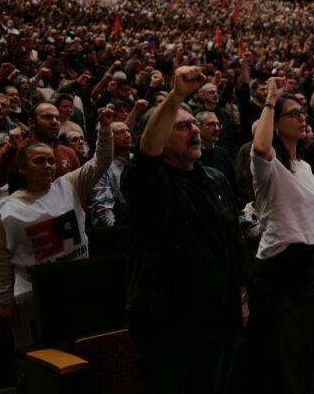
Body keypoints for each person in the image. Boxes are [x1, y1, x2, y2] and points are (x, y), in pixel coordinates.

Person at [122, 66, 247, 392]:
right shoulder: (148, 181)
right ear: (159, 135)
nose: (194, 130)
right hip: (165, 326)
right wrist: (177, 94)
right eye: (181, 126)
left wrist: (241, 297)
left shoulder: (216, 179)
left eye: (194, 123)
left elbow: (232, 243)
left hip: (214, 320)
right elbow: (148, 154)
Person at [0, 107, 113, 348]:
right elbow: (0, 257)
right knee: (38, 355)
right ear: (23, 169)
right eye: (39, 161)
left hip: (76, 284)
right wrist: (5, 300)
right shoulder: (7, 208)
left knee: (79, 345)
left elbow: (101, 161)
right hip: (32, 295)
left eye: (50, 161)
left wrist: (106, 128)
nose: (48, 165)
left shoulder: (69, 184)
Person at [246, 76, 314, 394]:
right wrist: (270, 97)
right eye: (293, 113)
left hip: (306, 265)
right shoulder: (267, 165)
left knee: (301, 349)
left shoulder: (305, 167)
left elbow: (313, 222)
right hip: (278, 267)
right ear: (276, 123)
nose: (301, 118)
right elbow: (259, 145)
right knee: (279, 353)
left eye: (302, 113)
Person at [0, 102, 80, 193]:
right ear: (31, 122)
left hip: (63, 207)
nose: (54, 122)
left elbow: (79, 188)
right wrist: (11, 150)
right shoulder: (15, 149)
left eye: (57, 118)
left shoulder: (68, 152)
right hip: (24, 206)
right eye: (47, 117)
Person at [90, 121, 132, 227]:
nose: (127, 135)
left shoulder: (137, 160)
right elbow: (104, 207)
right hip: (118, 224)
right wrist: (115, 231)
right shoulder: (101, 166)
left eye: (128, 131)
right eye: (121, 132)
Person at [196, 110, 235, 188]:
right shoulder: (192, 155)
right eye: (211, 124)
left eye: (218, 124)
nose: (217, 129)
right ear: (198, 127)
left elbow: (231, 184)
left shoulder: (223, 153)